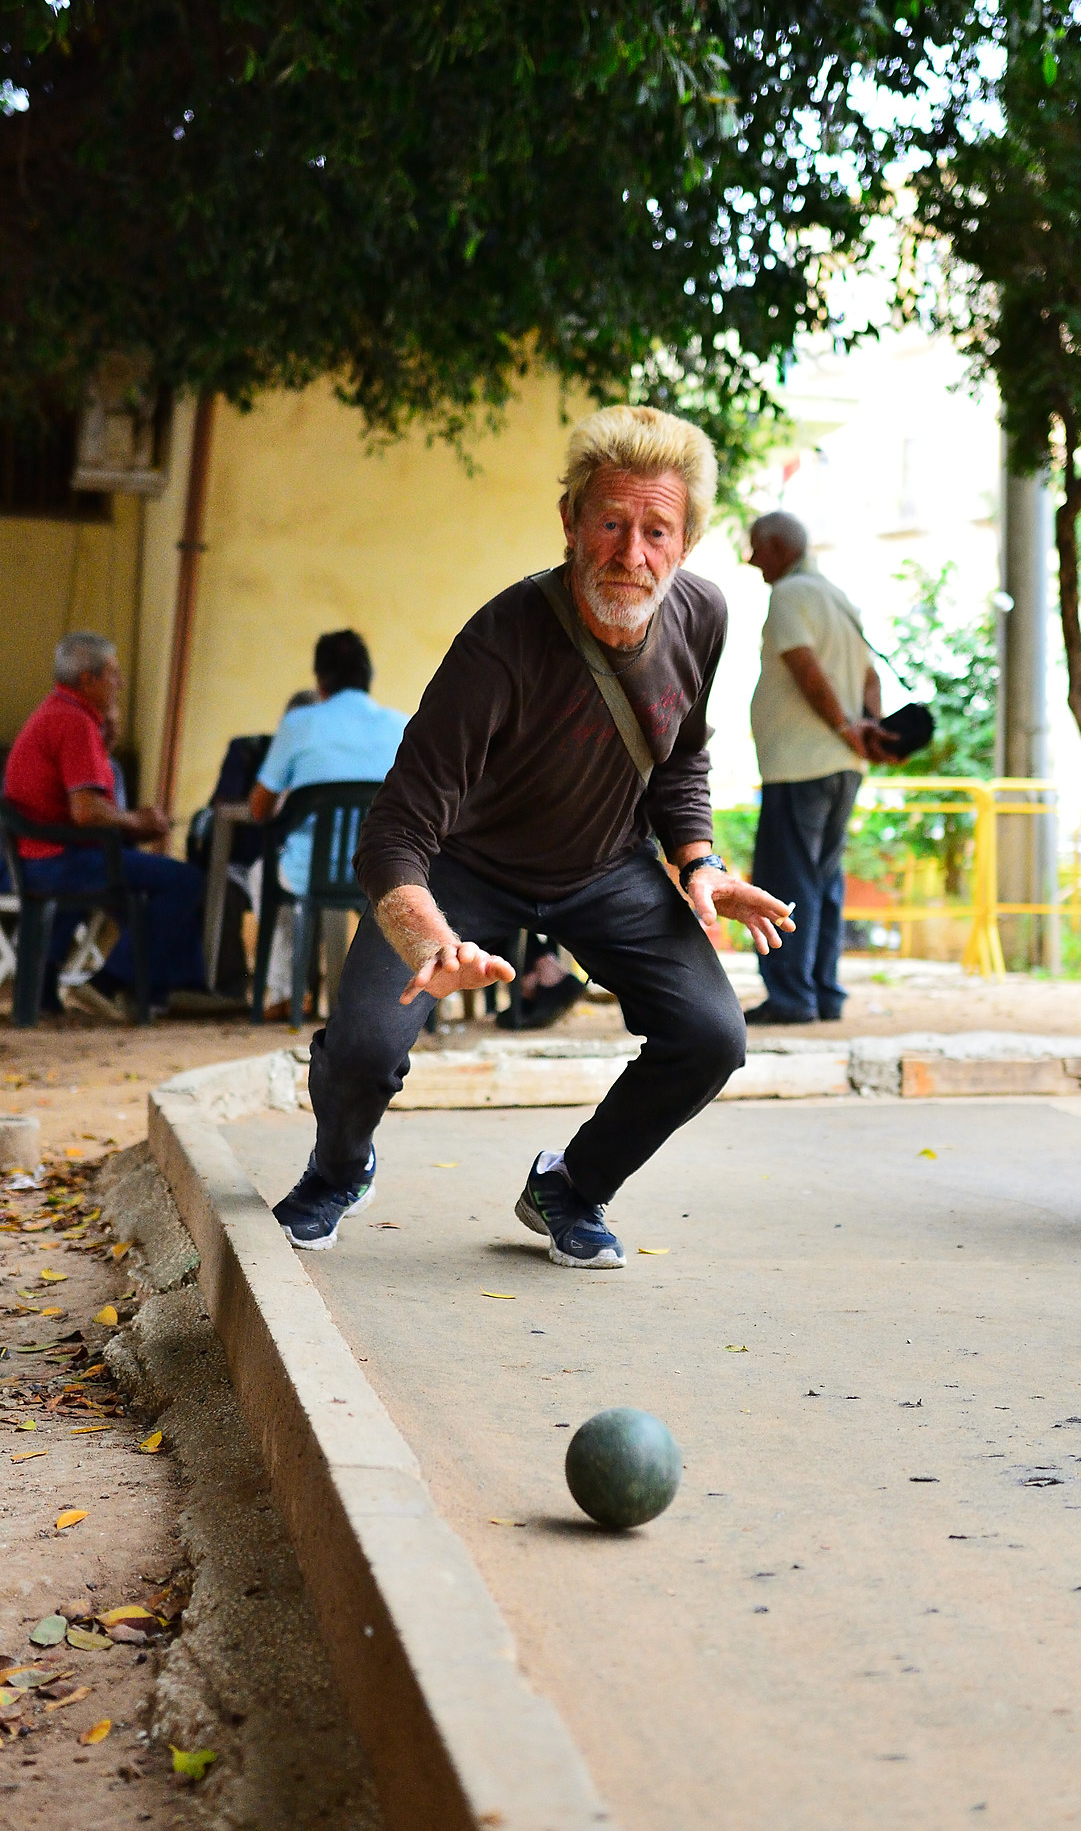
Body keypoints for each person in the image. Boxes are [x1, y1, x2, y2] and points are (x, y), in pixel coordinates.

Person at [270, 404, 792, 1266]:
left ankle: (571, 1188)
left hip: (604, 868)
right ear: (570, 525)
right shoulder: (502, 640)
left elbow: (681, 760)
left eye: (657, 531)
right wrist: (429, 936)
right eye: (611, 524)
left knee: (711, 1035)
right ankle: (338, 1168)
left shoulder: (701, 615)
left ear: (687, 542)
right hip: (465, 868)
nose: (632, 554)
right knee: (365, 1045)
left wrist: (701, 862)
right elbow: (395, 828)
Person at [3, 631, 204, 1015]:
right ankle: (111, 984)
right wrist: (137, 821)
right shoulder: (73, 721)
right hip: (55, 862)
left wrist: (104, 744)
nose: (120, 683)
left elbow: (82, 800)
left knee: (145, 880)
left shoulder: (58, 713)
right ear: (88, 680)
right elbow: (86, 813)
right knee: (183, 881)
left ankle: (163, 987)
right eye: (113, 674)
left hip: (37, 856)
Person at [744, 510, 881, 1024]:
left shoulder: (790, 595)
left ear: (779, 547)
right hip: (842, 764)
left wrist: (845, 727)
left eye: (757, 548)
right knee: (824, 879)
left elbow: (805, 668)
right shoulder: (838, 600)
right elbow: (869, 676)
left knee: (787, 879)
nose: (752, 559)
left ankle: (791, 997)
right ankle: (823, 993)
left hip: (801, 762)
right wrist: (866, 730)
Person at [248, 635, 407, 1017]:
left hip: (309, 874)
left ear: (320, 681)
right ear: (369, 676)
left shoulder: (299, 723)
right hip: (385, 870)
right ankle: (407, 999)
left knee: (260, 874)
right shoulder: (401, 724)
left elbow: (258, 808)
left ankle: (285, 991)